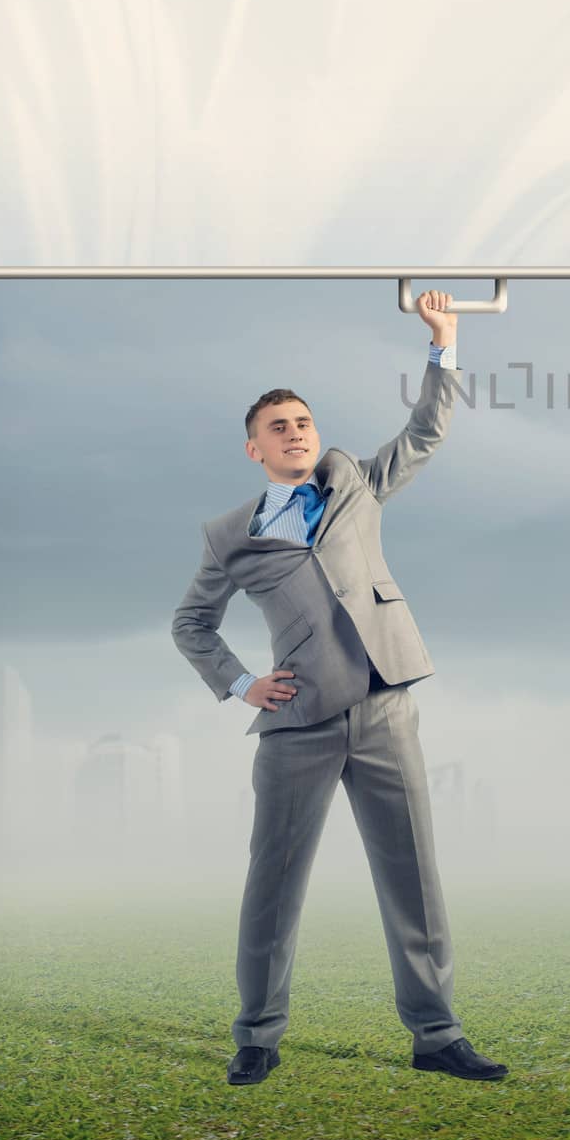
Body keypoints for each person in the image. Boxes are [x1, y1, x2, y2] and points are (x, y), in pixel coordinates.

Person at [171, 289, 507, 1086]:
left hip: (386, 706)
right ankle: (257, 1035)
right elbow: (191, 624)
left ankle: (437, 1036)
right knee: (274, 885)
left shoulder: (355, 480)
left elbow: (427, 431)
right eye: (278, 427)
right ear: (253, 448)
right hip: (297, 726)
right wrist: (243, 684)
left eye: (304, 422)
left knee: (413, 876)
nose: (296, 434)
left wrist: (443, 341)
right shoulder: (231, 536)